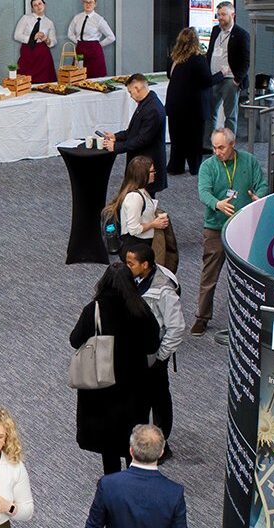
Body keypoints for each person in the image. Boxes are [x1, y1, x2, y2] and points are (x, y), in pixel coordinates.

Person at [70, 264, 160, 474]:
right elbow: (152, 345)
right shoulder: (141, 309)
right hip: (135, 386)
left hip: (103, 385)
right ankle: (134, 476)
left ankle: (112, 482)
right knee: (132, 436)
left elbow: (75, 340)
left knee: (107, 441)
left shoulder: (95, 309)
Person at [193, 127, 268, 336]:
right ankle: (201, 317)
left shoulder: (249, 161)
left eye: (221, 148)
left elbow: (262, 185)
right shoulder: (208, 166)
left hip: (244, 228)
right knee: (210, 275)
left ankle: (249, 317)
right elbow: (203, 193)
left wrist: (258, 196)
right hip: (216, 228)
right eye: (215, 147)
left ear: (233, 145)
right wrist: (217, 204)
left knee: (247, 277)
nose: (217, 152)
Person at [124, 247, 184, 455]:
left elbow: (176, 327)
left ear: (145, 265)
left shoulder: (163, 290)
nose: (127, 267)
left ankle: (161, 444)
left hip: (155, 355)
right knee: (137, 398)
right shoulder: (133, 279)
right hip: (136, 353)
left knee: (158, 399)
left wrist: (161, 357)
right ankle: (139, 441)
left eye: (131, 263)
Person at [103, 74, 167, 195]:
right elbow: (133, 131)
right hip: (142, 164)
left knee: (143, 201)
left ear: (137, 88)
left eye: (130, 92)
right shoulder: (147, 103)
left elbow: (142, 139)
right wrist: (116, 137)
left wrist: (116, 147)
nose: (131, 96)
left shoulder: (152, 109)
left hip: (146, 166)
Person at [104, 156, 171, 267]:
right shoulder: (135, 197)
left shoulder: (141, 192)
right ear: (142, 175)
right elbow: (134, 229)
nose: (154, 173)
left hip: (140, 247)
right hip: (136, 249)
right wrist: (154, 224)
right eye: (151, 171)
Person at [166, 27, 213, 176]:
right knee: (194, 138)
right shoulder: (198, 59)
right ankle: (194, 167)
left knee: (177, 137)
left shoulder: (174, 57)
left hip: (174, 104)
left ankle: (175, 166)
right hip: (193, 107)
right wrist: (221, 74)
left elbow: (169, 75)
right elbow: (206, 81)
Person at [204, 1, 251, 145]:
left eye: (223, 14)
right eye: (219, 15)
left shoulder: (242, 34)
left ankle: (229, 144)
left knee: (230, 115)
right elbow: (210, 52)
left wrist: (238, 79)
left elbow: (246, 60)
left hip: (231, 80)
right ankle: (209, 144)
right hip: (214, 79)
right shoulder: (215, 31)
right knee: (210, 113)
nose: (220, 18)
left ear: (233, 15)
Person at [67, 0, 115, 79]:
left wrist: (98, 45)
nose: (88, 4)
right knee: (78, 75)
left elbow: (111, 37)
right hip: (80, 50)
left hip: (94, 51)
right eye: (86, 2)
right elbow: (70, 33)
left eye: (90, 2)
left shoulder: (99, 19)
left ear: (95, 4)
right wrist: (79, 42)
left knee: (95, 76)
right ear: (83, 3)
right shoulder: (77, 18)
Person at [13, 0, 58, 84]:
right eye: (35, 5)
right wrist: (32, 38)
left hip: (43, 56)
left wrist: (46, 39)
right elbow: (17, 35)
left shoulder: (49, 22)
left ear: (44, 5)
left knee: (45, 82)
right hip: (28, 52)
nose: (38, 6)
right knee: (24, 81)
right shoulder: (25, 18)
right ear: (32, 8)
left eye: (40, 4)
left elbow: (53, 41)